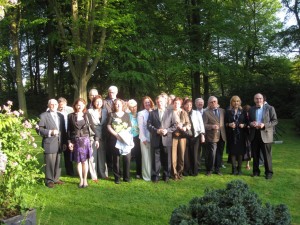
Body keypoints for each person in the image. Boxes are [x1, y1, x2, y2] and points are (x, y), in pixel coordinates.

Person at [68, 98, 99, 188]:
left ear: (84, 105)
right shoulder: (70, 116)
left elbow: (93, 128)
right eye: (78, 104)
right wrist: (69, 142)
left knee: (85, 161)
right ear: (75, 106)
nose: (79, 106)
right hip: (76, 141)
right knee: (78, 162)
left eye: (81, 104)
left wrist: (96, 139)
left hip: (85, 140)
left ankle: (85, 179)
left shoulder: (87, 115)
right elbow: (69, 130)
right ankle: (81, 179)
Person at [147, 95, 177, 182]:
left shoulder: (171, 112)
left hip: (166, 138)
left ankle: (166, 176)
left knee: (167, 158)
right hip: (156, 138)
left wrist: (167, 130)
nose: (160, 103)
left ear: (165, 102)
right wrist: (156, 131)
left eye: (161, 101)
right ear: (156, 102)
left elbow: (175, 125)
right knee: (156, 159)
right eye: (158, 102)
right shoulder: (152, 113)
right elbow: (148, 125)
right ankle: (155, 176)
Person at [38, 99, 67, 188]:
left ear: (58, 105)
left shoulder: (60, 116)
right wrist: (50, 132)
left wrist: (64, 142)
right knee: (50, 162)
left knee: (58, 161)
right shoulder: (43, 116)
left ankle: (56, 178)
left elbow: (63, 130)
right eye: (51, 104)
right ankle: (49, 180)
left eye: (55, 104)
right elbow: (39, 129)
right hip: (49, 143)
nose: (53, 106)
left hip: (59, 143)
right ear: (48, 105)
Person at [249, 93, 278, 179]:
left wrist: (264, 125)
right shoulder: (251, 109)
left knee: (267, 155)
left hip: (266, 134)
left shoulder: (270, 108)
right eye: (256, 99)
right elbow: (249, 121)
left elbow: (275, 121)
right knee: (255, 155)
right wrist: (251, 123)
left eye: (260, 98)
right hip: (254, 134)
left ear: (263, 99)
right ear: (254, 100)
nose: (258, 100)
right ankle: (255, 172)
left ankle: (269, 173)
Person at [107, 99, 133, 184]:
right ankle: (117, 177)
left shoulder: (127, 115)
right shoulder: (111, 114)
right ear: (114, 106)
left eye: (119, 104)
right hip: (115, 138)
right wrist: (116, 134)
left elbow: (129, 126)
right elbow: (108, 126)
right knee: (116, 159)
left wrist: (123, 133)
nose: (118, 106)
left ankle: (126, 177)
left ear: (122, 105)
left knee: (127, 158)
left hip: (125, 139)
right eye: (116, 104)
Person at [203, 96, 226, 176]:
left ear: (217, 102)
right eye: (211, 102)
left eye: (214, 101)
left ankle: (217, 169)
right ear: (208, 103)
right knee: (212, 153)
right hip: (212, 136)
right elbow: (204, 125)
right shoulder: (206, 112)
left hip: (222, 135)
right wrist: (211, 126)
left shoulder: (222, 111)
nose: (213, 103)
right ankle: (209, 169)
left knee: (219, 153)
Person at [88, 95, 109, 180]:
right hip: (93, 135)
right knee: (93, 156)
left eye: (100, 101)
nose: (98, 103)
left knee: (102, 155)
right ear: (93, 102)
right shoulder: (89, 111)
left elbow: (106, 124)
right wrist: (96, 135)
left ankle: (103, 174)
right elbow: (90, 125)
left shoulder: (104, 111)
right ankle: (93, 175)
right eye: (96, 101)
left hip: (103, 136)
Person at [183, 99, 205, 176]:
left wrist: (202, 134)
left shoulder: (197, 113)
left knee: (195, 154)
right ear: (184, 105)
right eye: (187, 105)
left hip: (196, 136)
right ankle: (186, 170)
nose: (188, 106)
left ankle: (194, 171)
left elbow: (201, 124)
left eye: (190, 105)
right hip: (185, 136)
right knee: (186, 155)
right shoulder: (182, 113)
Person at [225, 96, 246, 175]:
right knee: (233, 152)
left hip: (241, 134)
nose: (236, 103)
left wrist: (243, 125)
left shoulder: (243, 111)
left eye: (237, 101)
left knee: (240, 152)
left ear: (240, 102)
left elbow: (247, 122)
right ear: (231, 102)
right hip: (231, 134)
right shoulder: (228, 111)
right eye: (234, 101)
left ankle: (239, 169)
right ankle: (234, 170)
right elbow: (225, 123)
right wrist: (229, 124)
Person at [171, 97, 190, 180]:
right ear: (173, 104)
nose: (176, 105)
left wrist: (185, 127)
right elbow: (166, 124)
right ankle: (174, 173)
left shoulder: (184, 112)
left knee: (181, 155)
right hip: (173, 136)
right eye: (175, 103)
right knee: (173, 155)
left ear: (180, 104)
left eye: (178, 103)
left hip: (182, 136)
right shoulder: (169, 113)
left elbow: (188, 123)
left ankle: (180, 172)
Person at [138, 96, 155, 181]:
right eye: (145, 103)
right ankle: (147, 176)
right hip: (144, 138)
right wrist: (143, 138)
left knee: (153, 157)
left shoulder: (155, 112)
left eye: (149, 102)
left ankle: (154, 173)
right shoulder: (141, 113)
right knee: (146, 158)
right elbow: (140, 127)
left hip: (154, 138)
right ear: (143, 104)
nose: (147, 104)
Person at [57, 97, 74, 176]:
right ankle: (57, 171)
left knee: (68, 153)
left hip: (68, 133)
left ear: (66, 104)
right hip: (59, 134)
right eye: (60, 106)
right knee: (58, 153)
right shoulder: (55, 111)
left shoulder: (70, 110)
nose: (61, 107)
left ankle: (70, 171)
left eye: (63, 106)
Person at [127, 99, 142, 179]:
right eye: (132, 107)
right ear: (129, 108)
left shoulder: (140, 114)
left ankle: (138, 172)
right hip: (129, 137)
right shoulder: (127, 115)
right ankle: (127, 172)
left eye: (135, 106)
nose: (134, 108)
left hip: (138, 137)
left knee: (138, 155)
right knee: (128, 155)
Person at [194, 97, 206, 170]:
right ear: (195, 104)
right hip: (197, 134)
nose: (200, 103)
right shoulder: (194, 113)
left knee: (207, 150)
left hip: (207, 134)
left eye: (201, 102)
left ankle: (207, 165)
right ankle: (198, 165)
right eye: (198, 102)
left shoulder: (207, 111)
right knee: (198, 150)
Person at [243, 104, 252, 170]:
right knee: (247, 149)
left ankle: (248, 164)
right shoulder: (243, 115)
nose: (247, 113)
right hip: (245, 134)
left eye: (248, 111)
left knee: (249, 149)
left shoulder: (252, 115)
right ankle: (247, 164)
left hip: (250, 134)